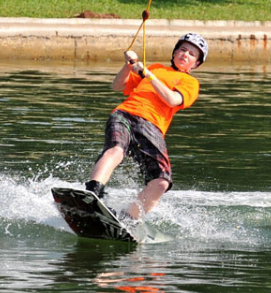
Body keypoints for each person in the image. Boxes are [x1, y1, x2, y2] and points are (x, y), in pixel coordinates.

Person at [84, 33, 208, 224]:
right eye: (182, 49)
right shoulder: (156, 68)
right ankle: (92, 194)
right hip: (124, 113)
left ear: (196, 64)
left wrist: (147, 75)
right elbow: (117, 85)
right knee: (116, 150)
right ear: (174, 52)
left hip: (151, 126)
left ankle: (127, 219)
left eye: (192, 54)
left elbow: (172, 99)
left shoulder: (191, 83)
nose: (185, 55)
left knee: (161, 182)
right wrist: (128, 66)